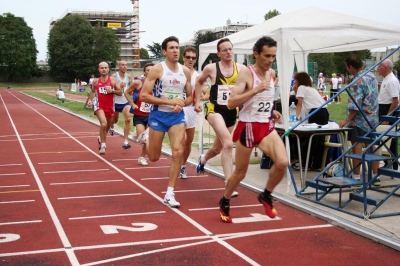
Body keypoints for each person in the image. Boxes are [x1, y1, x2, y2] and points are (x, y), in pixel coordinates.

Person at [219, 36, 288, 223]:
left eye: (273, 56)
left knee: (282, 162)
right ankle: (225, 199)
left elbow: (265, 100)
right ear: (256, 54)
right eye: (267, 56)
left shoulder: (272, 73)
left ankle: (266, 194)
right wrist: (255, 90)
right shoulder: (246, 74)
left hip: (265, 125)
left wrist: (272, 111)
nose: (270, 60)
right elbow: (232, 102)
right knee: (240, 173)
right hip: (247, 126)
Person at [138, 36, 193, 207]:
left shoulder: (186, 72)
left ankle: (170, 193)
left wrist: (182, 103)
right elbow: (144, 96)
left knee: (178, 151)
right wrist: (170, 102)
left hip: (177, 118)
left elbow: (191, 97)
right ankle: (147, 138)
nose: (176, 50)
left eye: (177, 47)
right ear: (164, 51)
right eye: (171, 48)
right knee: (153, 157)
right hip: (158, 116)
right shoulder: (157, 70)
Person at [194, 38, 247, 197]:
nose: (228, 52)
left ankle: (203, 159)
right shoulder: (211, 68)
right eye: (224, 50)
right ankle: (229, 182)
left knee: (218, 148)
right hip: (214, 110)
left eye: (230, 49)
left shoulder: (242, 69)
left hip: (231, 112)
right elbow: (199, 82)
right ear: (218, 53)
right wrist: (197, 100)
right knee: (229, 144)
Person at [339, 54, 379, 184]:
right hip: (373, 117)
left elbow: (355, 105)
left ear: (351, 67)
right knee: (373, 145)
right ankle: (375, 175)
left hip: (360, 120)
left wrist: (346, 120)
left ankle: (356, 176)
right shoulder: (371, 76)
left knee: (357, 145)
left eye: (347, 67)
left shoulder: (357, 80)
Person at [179, 46, 210, 179]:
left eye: (193, 58)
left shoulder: (198, 76)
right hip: (178, 109)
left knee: (188, 142)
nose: (190, 60)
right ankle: (178, 164)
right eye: (188, 57)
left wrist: (198, 99)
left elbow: (207, 93)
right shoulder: (177, 71)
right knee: (181, 140)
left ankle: (183, 165)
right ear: (183, 58)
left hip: (191, 110)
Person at [293, 72, 329, 170]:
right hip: (324, 112)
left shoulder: (302, 88)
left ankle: (306, 164)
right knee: (319, 140)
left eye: (295, 80)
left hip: (316, 113)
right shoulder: (311, 89)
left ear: (299, 80)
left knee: (311, 140)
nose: (294, 82)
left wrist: (297, 118)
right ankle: (317, 165)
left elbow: (299, 104)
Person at [87, 62, 122, 155]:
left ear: (108, 69)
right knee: (103, 124)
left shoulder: (113, 80)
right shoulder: (95, 81)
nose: (104, 69)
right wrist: (90, 100)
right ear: (99, 69)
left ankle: (101, 138)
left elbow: (120, 92)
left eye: (105, 68)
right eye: (102, 68)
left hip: (110, 107)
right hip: (99, 106)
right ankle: (103, 145)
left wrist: (112, 91)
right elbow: (93, 91)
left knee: (106, 127)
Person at [124, 63, 154, 166]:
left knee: (147, 138)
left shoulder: (157, 84)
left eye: (152, 70)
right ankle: (137, 133)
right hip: (139, 115)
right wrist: (132, 104)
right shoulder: (138, 83)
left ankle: (141, 157)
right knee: (143, 138)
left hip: (151, 115)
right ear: (144, 72)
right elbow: (126, 92)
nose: (150, 72)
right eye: (148, 70)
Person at [377, 59, 400, 173]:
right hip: (383, 108)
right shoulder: (386, 79)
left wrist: (387, 117)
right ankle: (387, 162)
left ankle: (393, 164)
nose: (378, 68)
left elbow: (395, 100)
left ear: (385, 67)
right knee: (385, 138)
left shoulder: (391, 80)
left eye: (380, 66)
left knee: (390, 138)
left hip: (388, 109)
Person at [110, 61, 132, 149]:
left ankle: (126, 141)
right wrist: (119, 87)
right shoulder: (114, 76)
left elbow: (130, 87)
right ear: (119, 66)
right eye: (122, 65)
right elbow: (110, 89)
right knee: (114, 121)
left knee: (128, 119)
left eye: (126, 65)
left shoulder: (129, 76)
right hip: (115, 102)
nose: (124, 66)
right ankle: (111, 126)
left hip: (125, 102)